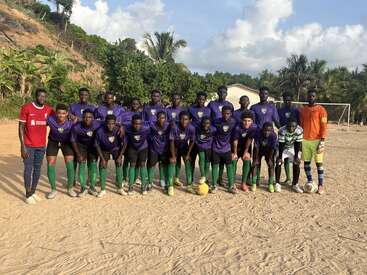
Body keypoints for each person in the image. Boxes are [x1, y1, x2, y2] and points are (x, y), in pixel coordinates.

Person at [18, 88, 54, 204]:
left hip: (41, 146)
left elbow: (60, 115)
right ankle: (28, 194)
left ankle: (33, 191)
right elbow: (21, 127)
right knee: (28, 169)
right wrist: (22, 146)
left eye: (44, 96)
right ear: (35, 96)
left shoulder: (48, 110)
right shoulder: (26, 107)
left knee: (37, 170)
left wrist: (71, 116)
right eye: (40, 96)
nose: (42, 98)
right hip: (28, 145)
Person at [300, 89, 328, 194]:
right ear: (307, 97)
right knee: (306, 163)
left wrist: (322, 140)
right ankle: (310, 181)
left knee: (319, 163)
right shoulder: (303, 110)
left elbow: (324, 126)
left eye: (313, 96)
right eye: (309, 96)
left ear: (316, 97)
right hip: (305, 140)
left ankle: (320, 185)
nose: (311, 98)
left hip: (317, 140)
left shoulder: (321, 110)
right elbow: (301, 125)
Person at [46, 104, 75, 199]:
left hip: (66, 142)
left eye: (63, 113)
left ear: (67, 114)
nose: (61, 115)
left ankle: (70, 188)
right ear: (56, 113)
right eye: (59, 113)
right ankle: (53, 189)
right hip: (53, 141)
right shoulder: (50, 119)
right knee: (50, 163)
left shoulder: (71, 122)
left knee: (70, 163)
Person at [95, 115, 127, 198]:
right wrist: (102, 159)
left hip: (116, 148)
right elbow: (97, 145)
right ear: (105, 123)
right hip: (104, 149)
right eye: (109, 123)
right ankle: (102, 189)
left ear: (115, 123)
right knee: (102, 165)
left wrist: (120, 156)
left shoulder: (119, 130)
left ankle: (120, 188)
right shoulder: (100, 131)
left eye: (113, 123)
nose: (111, 125)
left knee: (119, 164)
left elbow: (125, 143)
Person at [70, 110, 101, 197]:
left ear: (93, 118)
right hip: (81, 146)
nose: (87, 119)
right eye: (85, 117)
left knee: (93, 165)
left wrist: (120, 126)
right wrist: (78, 154)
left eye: (89, 117)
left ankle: (92, 187)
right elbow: (73, 141)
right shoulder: (76, 127)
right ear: (82, 118)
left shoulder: (97, 124)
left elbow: (109, 122)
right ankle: (83, 188)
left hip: (93, 147)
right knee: (82, 164)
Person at [167, 111, 196, 196]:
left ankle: (189, 185)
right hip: (174, 147)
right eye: (182, 119)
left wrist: (188, 154)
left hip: (184, 146)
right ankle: (170, 186)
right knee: (172, 162)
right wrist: (173, 156)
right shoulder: (174, 127)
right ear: (179, 120)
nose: (184, 121)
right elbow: (171, 142)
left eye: (186, 119)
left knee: (188, 162)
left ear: (189, 120)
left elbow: (192, 141)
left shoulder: (191, 128)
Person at [211, 106, 237, 194]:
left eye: (228, 113)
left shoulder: (233, 122)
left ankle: (231, 185)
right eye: (224, 113)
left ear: (231, 114)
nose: (226, 115)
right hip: (216, 148)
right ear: (221, 113)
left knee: (229, 166)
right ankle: (214, 185)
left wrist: (234, 151)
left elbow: (234, 137)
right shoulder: (216, 122)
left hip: (227, 149)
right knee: (215, 166)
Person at [275, 117, 303, 193]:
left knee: (296, 162)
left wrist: (296, 157)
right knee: (278, 162)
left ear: (296, 125)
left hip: (292, 148)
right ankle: (277, 183)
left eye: (293, 126)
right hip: (282, 148)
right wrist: (280, 157)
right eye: (289, 126)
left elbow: (297, 144)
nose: (291, 128)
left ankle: (295, 184)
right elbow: (281, 144)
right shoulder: (282, 130)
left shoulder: (299, 130)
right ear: (286, 125)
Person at [232, 111, 257, 191]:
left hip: (246, 147)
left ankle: (243, 183)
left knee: (247, 160)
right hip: (235, 146)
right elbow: (235, 141)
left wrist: (246, 152)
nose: (247, 123)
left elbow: (249, 140)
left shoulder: (253, 127)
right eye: (245, 120)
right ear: (241, 120)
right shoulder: (237, 128)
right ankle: (232, 183)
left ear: (252, 121)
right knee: (233, 160)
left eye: (249, 121)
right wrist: (235, 153)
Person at [125, 114, 150, 195]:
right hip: (132, 148)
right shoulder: (127, 128)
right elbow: (120, 124)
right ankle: (131, 186)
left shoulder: (146, 128)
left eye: (139, 124)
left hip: (143, 148)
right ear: (132, 123)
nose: (137, 126)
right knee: (132, 165)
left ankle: (143, 186)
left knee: (143, 164)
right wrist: (120, 127)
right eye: (135, 123)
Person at [251, 122, 277, 193]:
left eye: (269, 131)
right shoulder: (258, 134)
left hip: (269, 151)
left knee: (271, 165)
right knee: (255, 164)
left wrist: (270, 159)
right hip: (259, 150)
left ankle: (270, 184)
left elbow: (272, 148)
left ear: (272, 130)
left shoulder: (274, 136)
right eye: (265, 130)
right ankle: (254, 183)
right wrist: (255, 159)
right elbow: (256, 147)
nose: (266, 132)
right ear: (262, 129)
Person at [147, 111, 170, 191]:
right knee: (151, 165)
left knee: (164, 165)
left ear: (165, 119)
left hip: (164, 149)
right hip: (154, 149)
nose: (161, 119)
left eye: (163, 118)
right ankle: (150, 183)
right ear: (156, 118)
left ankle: (164, 182)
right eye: (159, 117)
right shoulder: (152, 124)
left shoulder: (168, 125)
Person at [191, 116, 216, 185]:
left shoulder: (213, 129)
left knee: (207, 162)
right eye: (204, 123)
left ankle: (206, 177)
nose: (206, 125)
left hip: (209, 146)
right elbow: (194, 136)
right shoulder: (197, 128)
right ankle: (203, 175)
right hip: (200, 145)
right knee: (202, 158)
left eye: (208, 123)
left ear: (210, 124)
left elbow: (215, 137)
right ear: (201, 123)